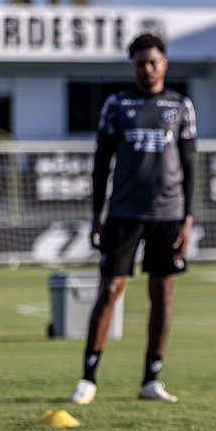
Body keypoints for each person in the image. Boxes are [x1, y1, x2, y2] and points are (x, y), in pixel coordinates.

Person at [68, 33, 197, 405]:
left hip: (168, 215)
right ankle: (88, 376)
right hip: (123, 214)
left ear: (165, 63)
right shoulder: (116, 104)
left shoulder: (180, 107)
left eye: (154, 61)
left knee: (162, 295)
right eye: (141, 63)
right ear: (134, 66)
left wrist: (188, 218)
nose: (147, 68)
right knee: (109, 290)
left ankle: (151, 378)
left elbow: (190, 165)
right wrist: (96, 215)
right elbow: (100, 164)